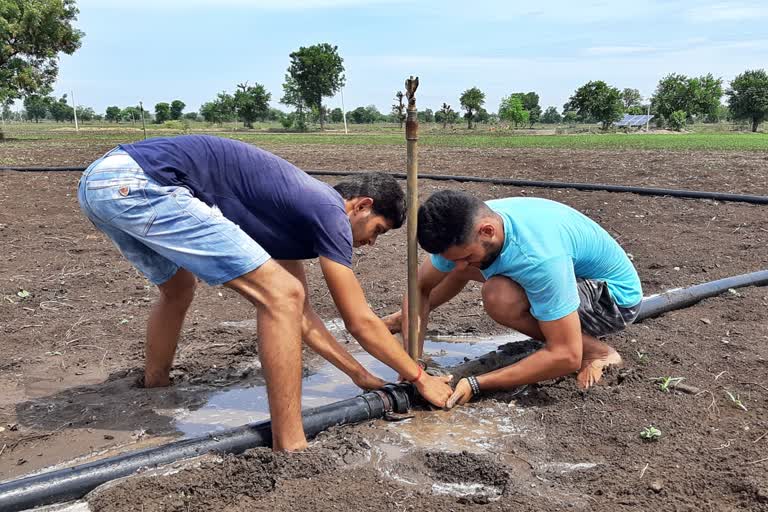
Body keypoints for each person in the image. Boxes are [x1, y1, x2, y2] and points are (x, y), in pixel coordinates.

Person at [77, 135, 453, 451]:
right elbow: (359, 321)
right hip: (140, 183)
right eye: (378, 229)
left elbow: (299, 314)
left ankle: (155, 382)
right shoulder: (328, 209)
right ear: (361, 205)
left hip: (102, 182)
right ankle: (290, 443)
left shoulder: (290, 216)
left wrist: (358, 374)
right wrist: (419, 377)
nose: (371, 242)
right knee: (279, 294)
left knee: (179, 288)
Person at [387, 190, 641, 408]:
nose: (462, 266)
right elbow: (419, 288)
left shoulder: (539, 259)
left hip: (612, 301)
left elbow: (566, 356)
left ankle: (597, 351)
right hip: (567, 275)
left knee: (499, 296)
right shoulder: (466, 228)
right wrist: (413, 365)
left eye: (466, 256)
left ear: (487, 231)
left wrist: (477, 383)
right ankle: (405, 320)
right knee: (456, 271)